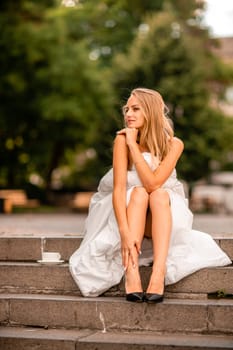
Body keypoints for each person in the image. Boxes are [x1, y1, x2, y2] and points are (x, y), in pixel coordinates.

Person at [69, 87, 231, 303]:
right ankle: (132, 272)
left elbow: (153, 183)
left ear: (151, 111)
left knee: (158, 194)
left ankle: (158, 273)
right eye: (127, 109)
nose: (128, 114)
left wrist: (133, 147)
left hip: (160, 216)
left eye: (135, 109)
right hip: (127, 213)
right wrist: (125, 232)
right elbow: (118, 190)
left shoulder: (173, 144)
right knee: (138, 193)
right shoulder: (121, 140)